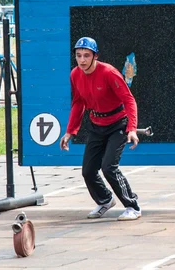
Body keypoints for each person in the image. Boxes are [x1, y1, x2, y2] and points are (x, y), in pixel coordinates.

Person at [59, 37, 142, 221]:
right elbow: (78, 103)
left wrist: (132, 129)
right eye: (78, 55)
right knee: (88, 171)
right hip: (97, 125)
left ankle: (132, 206)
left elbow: (129, 100)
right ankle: (105, 200)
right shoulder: (75, 74)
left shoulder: (109, 72)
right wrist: (70, 132)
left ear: (95, 56)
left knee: (108, 167)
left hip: (118, 124)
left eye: (86, 55)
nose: (82, 60)